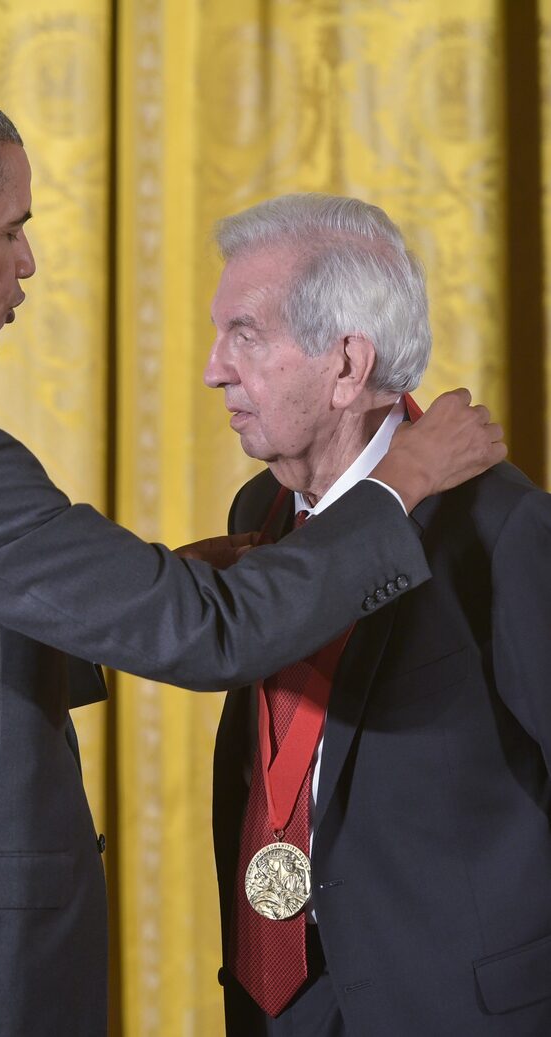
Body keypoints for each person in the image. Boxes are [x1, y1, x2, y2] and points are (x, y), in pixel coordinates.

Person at [0, 83, 502, 1037]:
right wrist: (399, 485)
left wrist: (178, 574)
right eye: (10, 231)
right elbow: (208, 637)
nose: (28, 263)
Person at [206, 193, 551, 1036]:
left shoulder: (499, 527)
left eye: (245, 335)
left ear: (348, 365)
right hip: (280, 1001)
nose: (214, 367)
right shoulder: (262, 502)